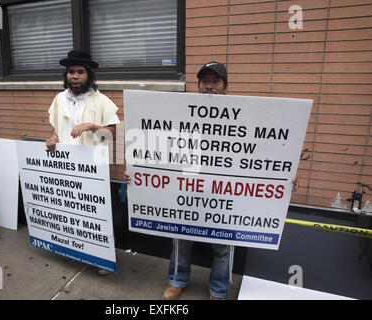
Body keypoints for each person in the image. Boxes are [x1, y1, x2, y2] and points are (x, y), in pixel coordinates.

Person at [124, 62, 298, 300]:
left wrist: (282, 177)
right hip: (185, 189)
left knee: (224, 246)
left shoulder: (246, 117)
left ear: (226, 87)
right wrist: (139, 170)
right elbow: (160, 144)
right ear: (198, 86)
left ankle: (218, 290)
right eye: (204, 81)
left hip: (225, 195)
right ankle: (177, 281)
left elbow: (263, 151)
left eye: (215, 81)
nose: (209, 86)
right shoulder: (179, 113)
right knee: (181, 240)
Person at [46, 50, 119, 275]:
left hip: (93, 168)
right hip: (67, 166)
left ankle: (102, 258)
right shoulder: (59, 99)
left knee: (97, 214)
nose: (74, 76)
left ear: (89, 75)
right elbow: (56, 129)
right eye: (71, 72)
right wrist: (53, 139)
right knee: (70, 209)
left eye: (80, 71)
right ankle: (74, 249)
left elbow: (113, 134)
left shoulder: (101, 100)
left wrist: (92, 126)